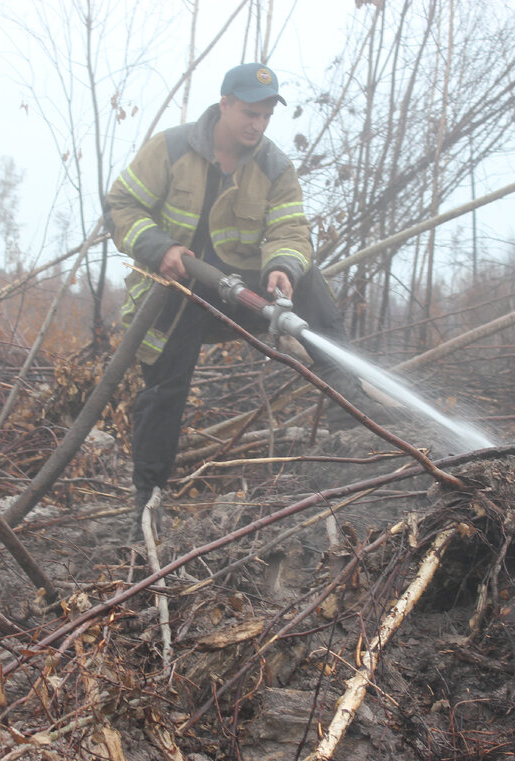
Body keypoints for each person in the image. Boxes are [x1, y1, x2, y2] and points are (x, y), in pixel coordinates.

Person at [106, 62, 379, 533]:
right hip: (175, 293)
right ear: (225, 104)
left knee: (311, 285)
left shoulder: (274, 165)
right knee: (163, 393)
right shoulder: (169, 149)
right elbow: (121, 206)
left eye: (267, 115)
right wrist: (160, 247)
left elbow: (290, 228)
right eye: (250, 113)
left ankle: (349, 411)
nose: (258, 125)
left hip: (242, 292)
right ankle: (147, 503)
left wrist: (283, 266)